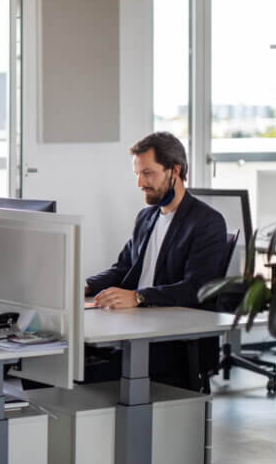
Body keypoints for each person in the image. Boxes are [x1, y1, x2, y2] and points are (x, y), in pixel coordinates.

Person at [84, 132, 227, 388]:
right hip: (135, 327)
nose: (140, 183)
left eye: (148, 173)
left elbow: (198, 288)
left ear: (175, 171)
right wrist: (84, 286)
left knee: (84, 371)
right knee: (67, 359)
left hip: (172, 342)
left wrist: (139, 297)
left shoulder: (206, 222)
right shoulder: (146, 217)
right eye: (137, 174)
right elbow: (124, 269)